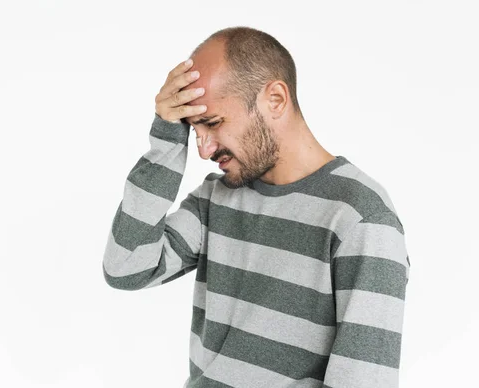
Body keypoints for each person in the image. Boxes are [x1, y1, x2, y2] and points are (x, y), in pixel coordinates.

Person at [102, 26, 410, 388]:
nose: (203, 149)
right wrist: (167, 137)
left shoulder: (361, 220)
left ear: (275, 99)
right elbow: (126, 267)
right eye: (193, 129)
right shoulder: (216, 197)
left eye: (213, 123)